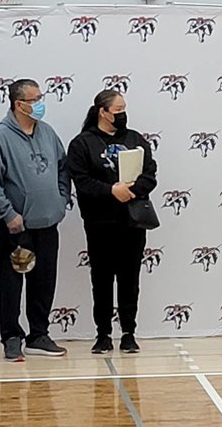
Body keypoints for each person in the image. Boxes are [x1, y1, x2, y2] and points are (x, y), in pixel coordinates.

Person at [0, 79, 71, 362]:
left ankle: (39, 334)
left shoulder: (48, 133)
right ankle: (11, 336)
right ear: (19, 104)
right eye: (35, 99)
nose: (40, 103)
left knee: (44, 280)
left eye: (41, 97)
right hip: (17, 227)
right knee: (11, 281)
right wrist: (8, 214)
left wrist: (60, 199)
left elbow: (62, 168)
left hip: (47, 222)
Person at [67, 90, 158, 355]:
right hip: (100, 224)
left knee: (130, 279)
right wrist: (111, 191)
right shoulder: (82, 144)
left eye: (124, 109)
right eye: (117, 110)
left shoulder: (135, 139)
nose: (122, 115)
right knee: (102, 279)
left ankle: (129, 332)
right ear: (102, 112)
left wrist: (132, 189)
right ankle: (103, 333)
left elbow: (150, 174)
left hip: (132, 222)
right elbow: (81, 181)